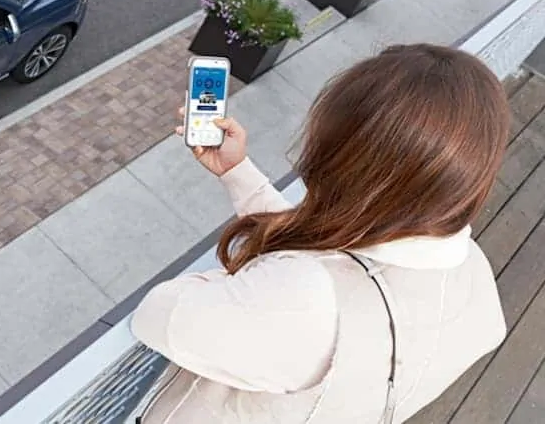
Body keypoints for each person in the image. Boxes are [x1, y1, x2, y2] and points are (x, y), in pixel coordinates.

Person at [130, 44, 509, 423]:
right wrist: (237, 172)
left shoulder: (303, 297)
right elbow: (344, 258)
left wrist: (256, 273)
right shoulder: (474, 278)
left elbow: (160, 314)